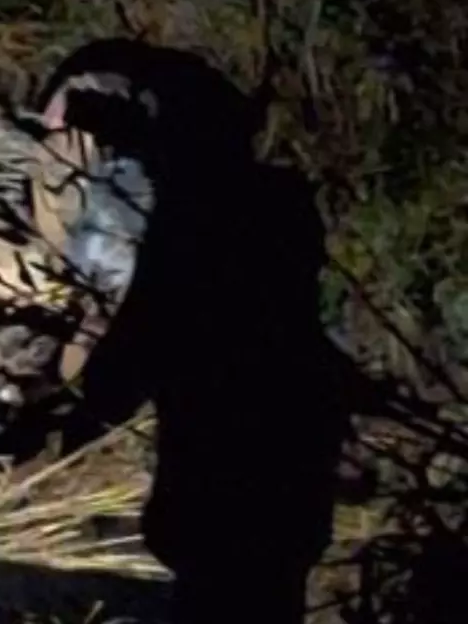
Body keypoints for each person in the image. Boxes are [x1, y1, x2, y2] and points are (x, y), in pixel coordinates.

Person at [38, 40, 350, 624]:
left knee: (228, 573)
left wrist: (84, 406)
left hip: (235, 457)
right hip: (290, 441)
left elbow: (154, 326)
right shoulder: (270, 200)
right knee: (262, 578)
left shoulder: (197, 215)